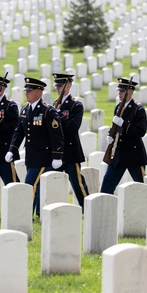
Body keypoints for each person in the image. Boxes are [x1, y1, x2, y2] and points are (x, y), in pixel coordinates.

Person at [6, 76, 62, 217]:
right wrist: (12, 149)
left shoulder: (48, 111)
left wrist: (57, 156)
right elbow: (19, 132)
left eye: (30, 91)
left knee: (29, 185)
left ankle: (24, 216)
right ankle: (38, 212)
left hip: (43, 157)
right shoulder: (25, 110)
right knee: (36, 187)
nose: (27, 93)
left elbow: (57, 135)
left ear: (39, 92)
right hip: (31, 156)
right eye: (26, 90)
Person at [99, 76, 147, 194]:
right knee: (107, 185)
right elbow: (116, 127)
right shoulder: (118, 107)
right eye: (119, 91)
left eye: (122, 91)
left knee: (142, 187)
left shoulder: (138, 109)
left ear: (130, 92)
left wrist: (124, 124)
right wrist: (111, 135)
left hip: (134, 154)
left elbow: (140, 131)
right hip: (119, 154)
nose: (119, 94)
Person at [53, 72, 89, 207]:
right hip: (57, 152)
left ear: (69, 85)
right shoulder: (54, 105)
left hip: (71, 150)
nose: (58, 88)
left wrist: (59, 118)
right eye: (57, 85)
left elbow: (73, 127)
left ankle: (87, 206)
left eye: (61, 85)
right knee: (52, 181)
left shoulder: (76, 105)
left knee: (78, 182)